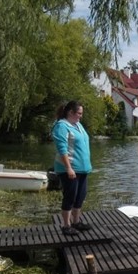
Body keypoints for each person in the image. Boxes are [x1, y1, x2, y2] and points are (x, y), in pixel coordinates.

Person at [52, 100, 92, 236]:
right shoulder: (61, 126)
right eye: (79, 113)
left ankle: (76, 221)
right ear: (70, 112)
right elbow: (62, 149)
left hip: (83, 168)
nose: (81, 116)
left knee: (80, 196)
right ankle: (66, 225)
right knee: (70, 196)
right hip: (70, 168)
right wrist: (68, 168)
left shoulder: (78, 125)